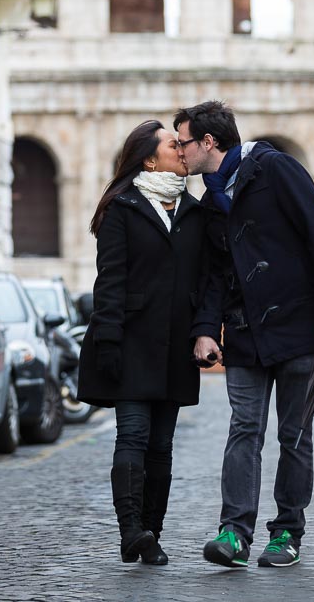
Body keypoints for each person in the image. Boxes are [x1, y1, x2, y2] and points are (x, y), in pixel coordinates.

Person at [173, 100, 314, 569]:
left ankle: (287, 532)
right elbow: (213, 275)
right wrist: (207, 330)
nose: (179, 151)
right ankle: (234, 533)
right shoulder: (212, 201)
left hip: (298, 327)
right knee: (243, 430)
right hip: (245, 335)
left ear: (208, 142)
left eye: (183, 141)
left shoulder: (275, 169)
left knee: (293, 434)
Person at [77, 120, 207, 566]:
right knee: (132, 435)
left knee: (162, 446)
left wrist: (204, 329)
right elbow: (110, 282)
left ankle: (152, 532)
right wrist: (108, 342)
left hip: (176, 347)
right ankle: (130, 529)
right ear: (150, 158)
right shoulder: (123, 208)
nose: (183, 149)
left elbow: (205, 281)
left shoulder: (195, 211)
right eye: (174, 145)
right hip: (131, 342)